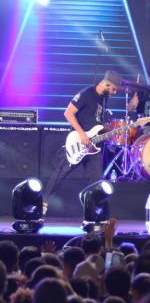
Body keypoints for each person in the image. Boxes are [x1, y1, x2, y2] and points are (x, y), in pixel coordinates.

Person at [43, 70, 122, 212]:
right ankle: (42, 203)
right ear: (107, 84)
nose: (114, 92)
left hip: (93, 146)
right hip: (78, 142)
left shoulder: (104, 99)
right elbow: (68, 113)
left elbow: (96, 122)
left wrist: (108, 130)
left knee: (96, 180)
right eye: (113, 89)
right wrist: (81, 134)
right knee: (60, 173)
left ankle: (94, 212)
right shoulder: (87, 93)